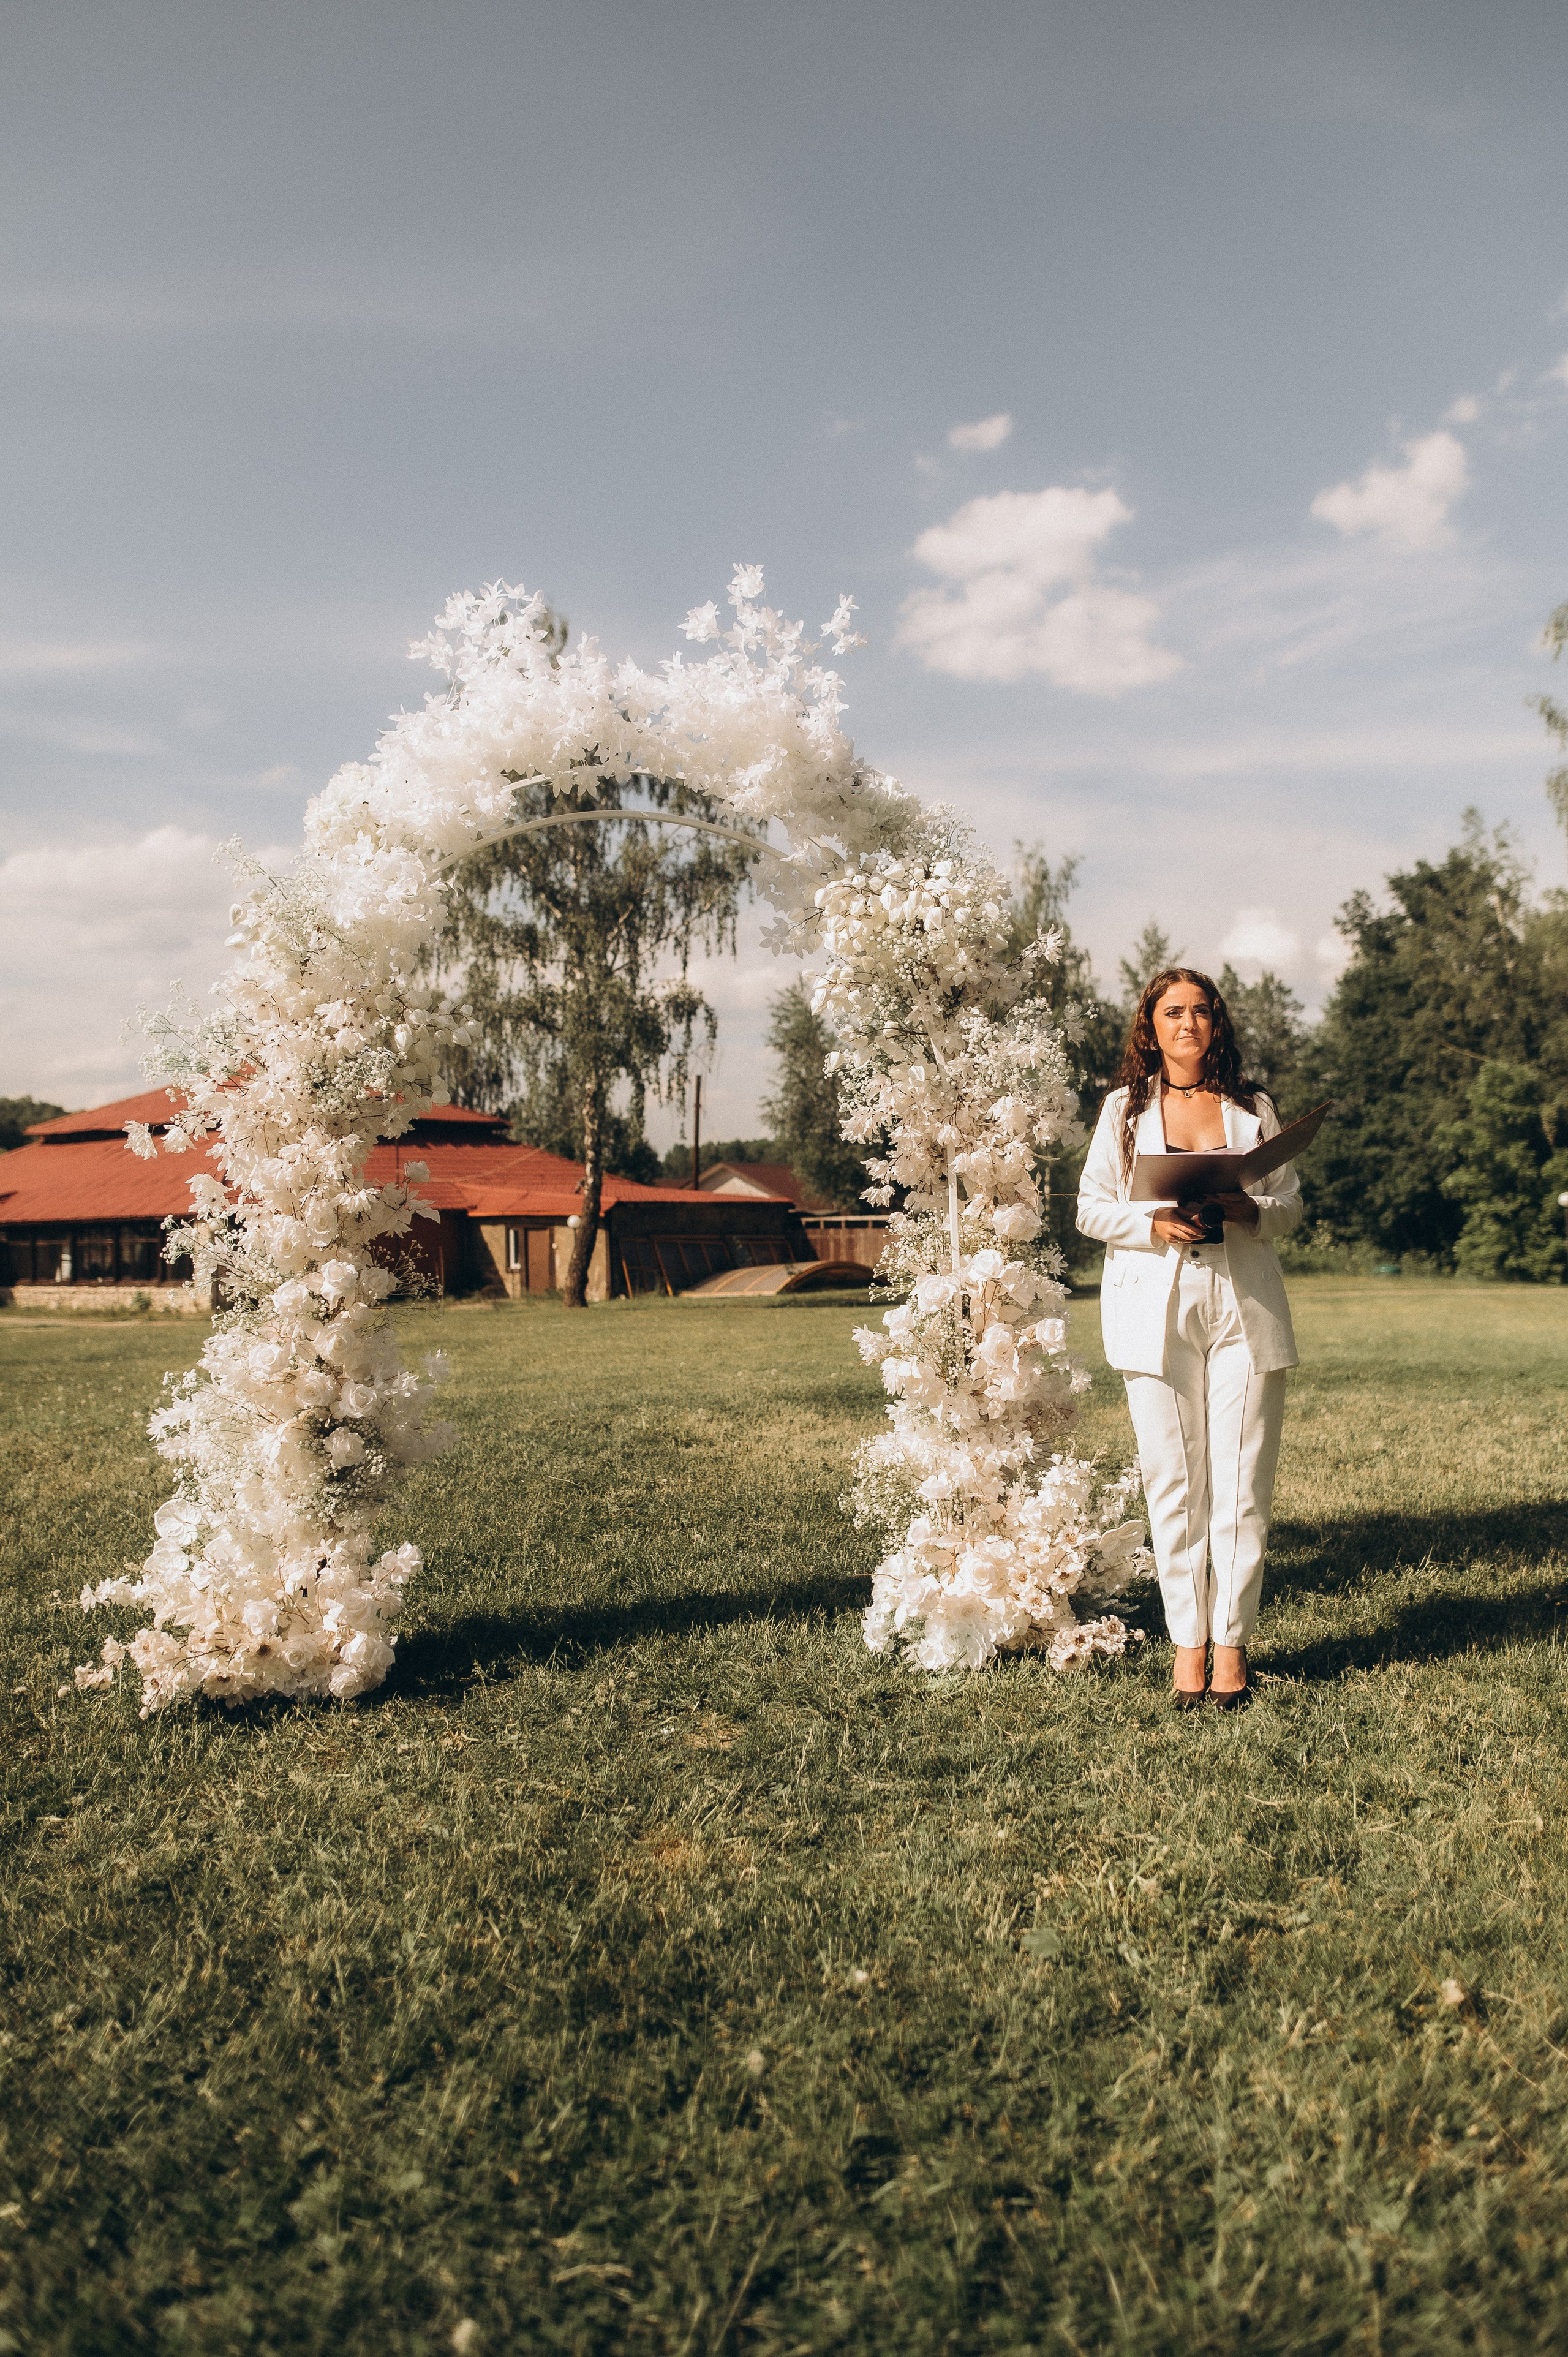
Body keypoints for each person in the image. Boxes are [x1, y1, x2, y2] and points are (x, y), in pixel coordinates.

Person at [1076, 968, 1302, 1710]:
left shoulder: (1252, 1106)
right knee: (1173, 1487)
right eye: (1173, 1011)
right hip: (1156, 1304)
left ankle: (1232, 1651)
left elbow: (1290, 1205)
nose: (1188, 1023)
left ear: (1217, 1024)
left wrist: (1250, 1208)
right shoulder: (1124, 1110)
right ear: (1150, 1022)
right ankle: (1187, 1651)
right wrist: (1151, 1223)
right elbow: (1088, 1209)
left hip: (1242, 1303)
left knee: (1241, 1485)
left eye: (1202, 1011)